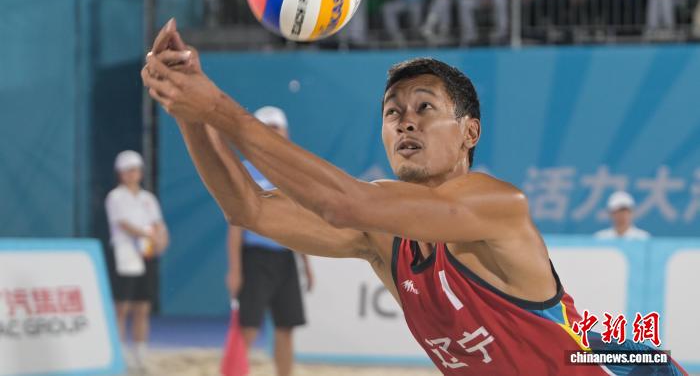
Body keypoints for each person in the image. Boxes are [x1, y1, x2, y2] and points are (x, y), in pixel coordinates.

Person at [141, 19, 687, 375]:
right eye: (392, 112)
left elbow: (345, 202)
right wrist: (187, 112)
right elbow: (248, 208)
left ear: (470, 132)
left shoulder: (496, 205)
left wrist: (218, 109)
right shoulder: (383, 237)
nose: (405, 120)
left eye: (424, 107)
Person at [226, 106, 313, 376]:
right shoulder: (244, 171)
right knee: (248, 328)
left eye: (277, 127)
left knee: (286, 328)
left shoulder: (294, 173)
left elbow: (300, 222)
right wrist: (235, 269)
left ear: (286, 133)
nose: (273, 132)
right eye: (268, 127)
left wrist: (306, 263)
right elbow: (235, 224)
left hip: (286, 256)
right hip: (255, 258)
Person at [105, 150, 169, 372]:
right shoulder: (115, 197)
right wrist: (148, 236)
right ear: (121, 173)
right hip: (124, 255)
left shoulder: (148, 198)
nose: (133, 174)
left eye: (136, 170)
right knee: (121, 307)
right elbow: (123, 224)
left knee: (142, 307)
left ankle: (140, 355)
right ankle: (120, 353)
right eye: (129, 170)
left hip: (146, 256)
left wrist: (162, 239)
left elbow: (159, 224)